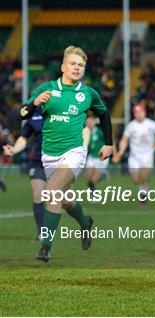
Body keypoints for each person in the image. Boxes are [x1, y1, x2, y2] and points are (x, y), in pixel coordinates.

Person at [19, 45, 113, 262]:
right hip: (49, 155)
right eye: (73, 63)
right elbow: (23, 113)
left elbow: (104, 114)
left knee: (51, 191)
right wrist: (34, 103)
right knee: (65, 199)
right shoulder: (48, 89)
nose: (77, 68)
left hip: (74, 153)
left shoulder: (87, 93)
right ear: (63, 67)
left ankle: (46, 247)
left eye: (81, 65)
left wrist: (109, 143)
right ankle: (85, 222)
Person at [113, 104, 155, 209]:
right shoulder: (131, 126)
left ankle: (143, 202)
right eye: (136, 112)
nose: (138, 114)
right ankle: (144, 187)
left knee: (143, 176)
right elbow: (124, 140)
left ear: (144, 112)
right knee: (136, 180)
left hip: (147, 156)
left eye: (140, 112)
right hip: (134, 157)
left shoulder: (152, 124)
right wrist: (120, 153)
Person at [3, 108, 46, 240]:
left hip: (59, 162)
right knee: (37, 195)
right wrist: (14, 150)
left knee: (65, 201)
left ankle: (84, 222)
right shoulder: (34, 118)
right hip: (38, 162)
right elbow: (24, 138)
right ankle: (42, 233)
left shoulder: (63, 113)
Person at [85, 116, 110, 191]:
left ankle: (94, 195)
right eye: (87, 123)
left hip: (101, 157)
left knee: (93, 179)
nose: (89, 124)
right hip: (92, 156)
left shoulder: (99, 132)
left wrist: (114, 153)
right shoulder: (85, 133)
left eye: (90, 122)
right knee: (88, 177)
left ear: (94, 123)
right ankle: (93, 192)